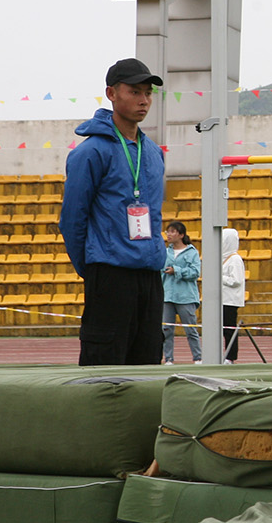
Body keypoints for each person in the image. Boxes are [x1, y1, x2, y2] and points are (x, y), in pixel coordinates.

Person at [60, 58, 167, 366]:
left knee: (147, 366)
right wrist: (95, 270)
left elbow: (154, 215)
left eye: (148, 93)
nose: (144, 100)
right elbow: (72, 220)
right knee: (104, 369)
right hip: (110, 274)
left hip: (150, 276)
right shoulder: (90, 152)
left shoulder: (153, 152)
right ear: (111, 93)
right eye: (135, 91)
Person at [162, 221, 202, 364]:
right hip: (167, 295)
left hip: (186, 296)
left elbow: (195, 272)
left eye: (172, 231)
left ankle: (198, 357)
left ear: (181, 235)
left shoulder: (192, 252)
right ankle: (168, 358)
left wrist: (177, 271)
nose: (169, 234)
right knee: (166, 329)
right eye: (167, 231)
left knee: (190, 329)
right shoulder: (165, 252)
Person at [221, 228, 246, 363]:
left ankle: (230, 356)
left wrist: (219, 277)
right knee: (222, 329)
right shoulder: (222, 258)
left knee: (229, 329)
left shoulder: (235, 259)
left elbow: (236, 280)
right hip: (222, 299)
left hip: (230, 300)